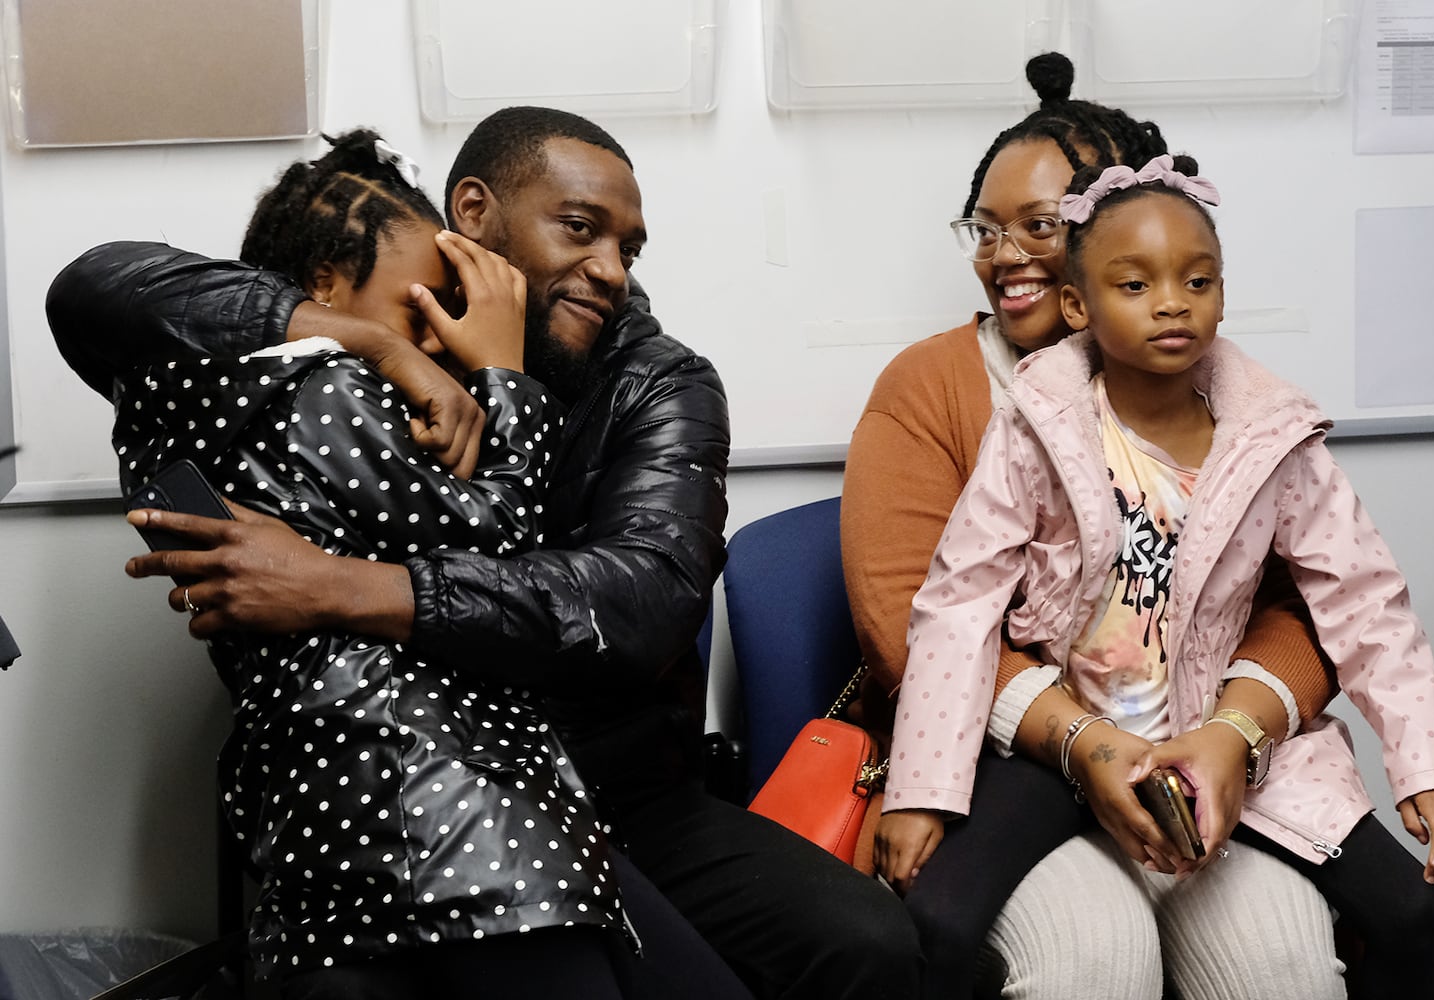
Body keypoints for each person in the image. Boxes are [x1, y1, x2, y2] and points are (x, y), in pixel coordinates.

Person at [47, 107, 922, 1000]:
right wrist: (373, 340)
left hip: (619, 791)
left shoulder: (658, 380)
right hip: (422, 781)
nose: (611, 272)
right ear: (470, 215)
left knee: (870, 948)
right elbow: (98, 290)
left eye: (630, 248)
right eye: (579, 230)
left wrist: (345, 587)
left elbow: (640, 602)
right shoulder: (385, 334)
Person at [881, 153, 1434, 999]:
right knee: (937, 920)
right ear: (1078, 306)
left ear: (1223, 294)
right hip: (1063, 750)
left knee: (1408, 914)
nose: (1171, 302)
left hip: (1217, 740)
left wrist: (1428, 765)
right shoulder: (1034, 429)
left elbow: (1363, 597)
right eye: (1135, 285)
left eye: (1196, 281)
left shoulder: (1272, 438)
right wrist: (922, 792)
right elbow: (958, 603)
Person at [62, 127, 635, 997]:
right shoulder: (313, 386)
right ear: (323, 284)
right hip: (453, 837)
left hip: (337, 841)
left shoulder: (187, 389)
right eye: (424, 308)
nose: (444, 339)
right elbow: (510, 549)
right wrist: (501, 375)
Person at [844, 53, 1350, 1000]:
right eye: (985, 229)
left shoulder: (1218, 392)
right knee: (1092, 962)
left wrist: (1233, 733)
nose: (1004, 254)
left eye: (1040, 225)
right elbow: (907, 623)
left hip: (1195, 756)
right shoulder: (929, 388)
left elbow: (1309, 605)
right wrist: (1090, 745)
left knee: (1282, 968)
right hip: (1007, 768)